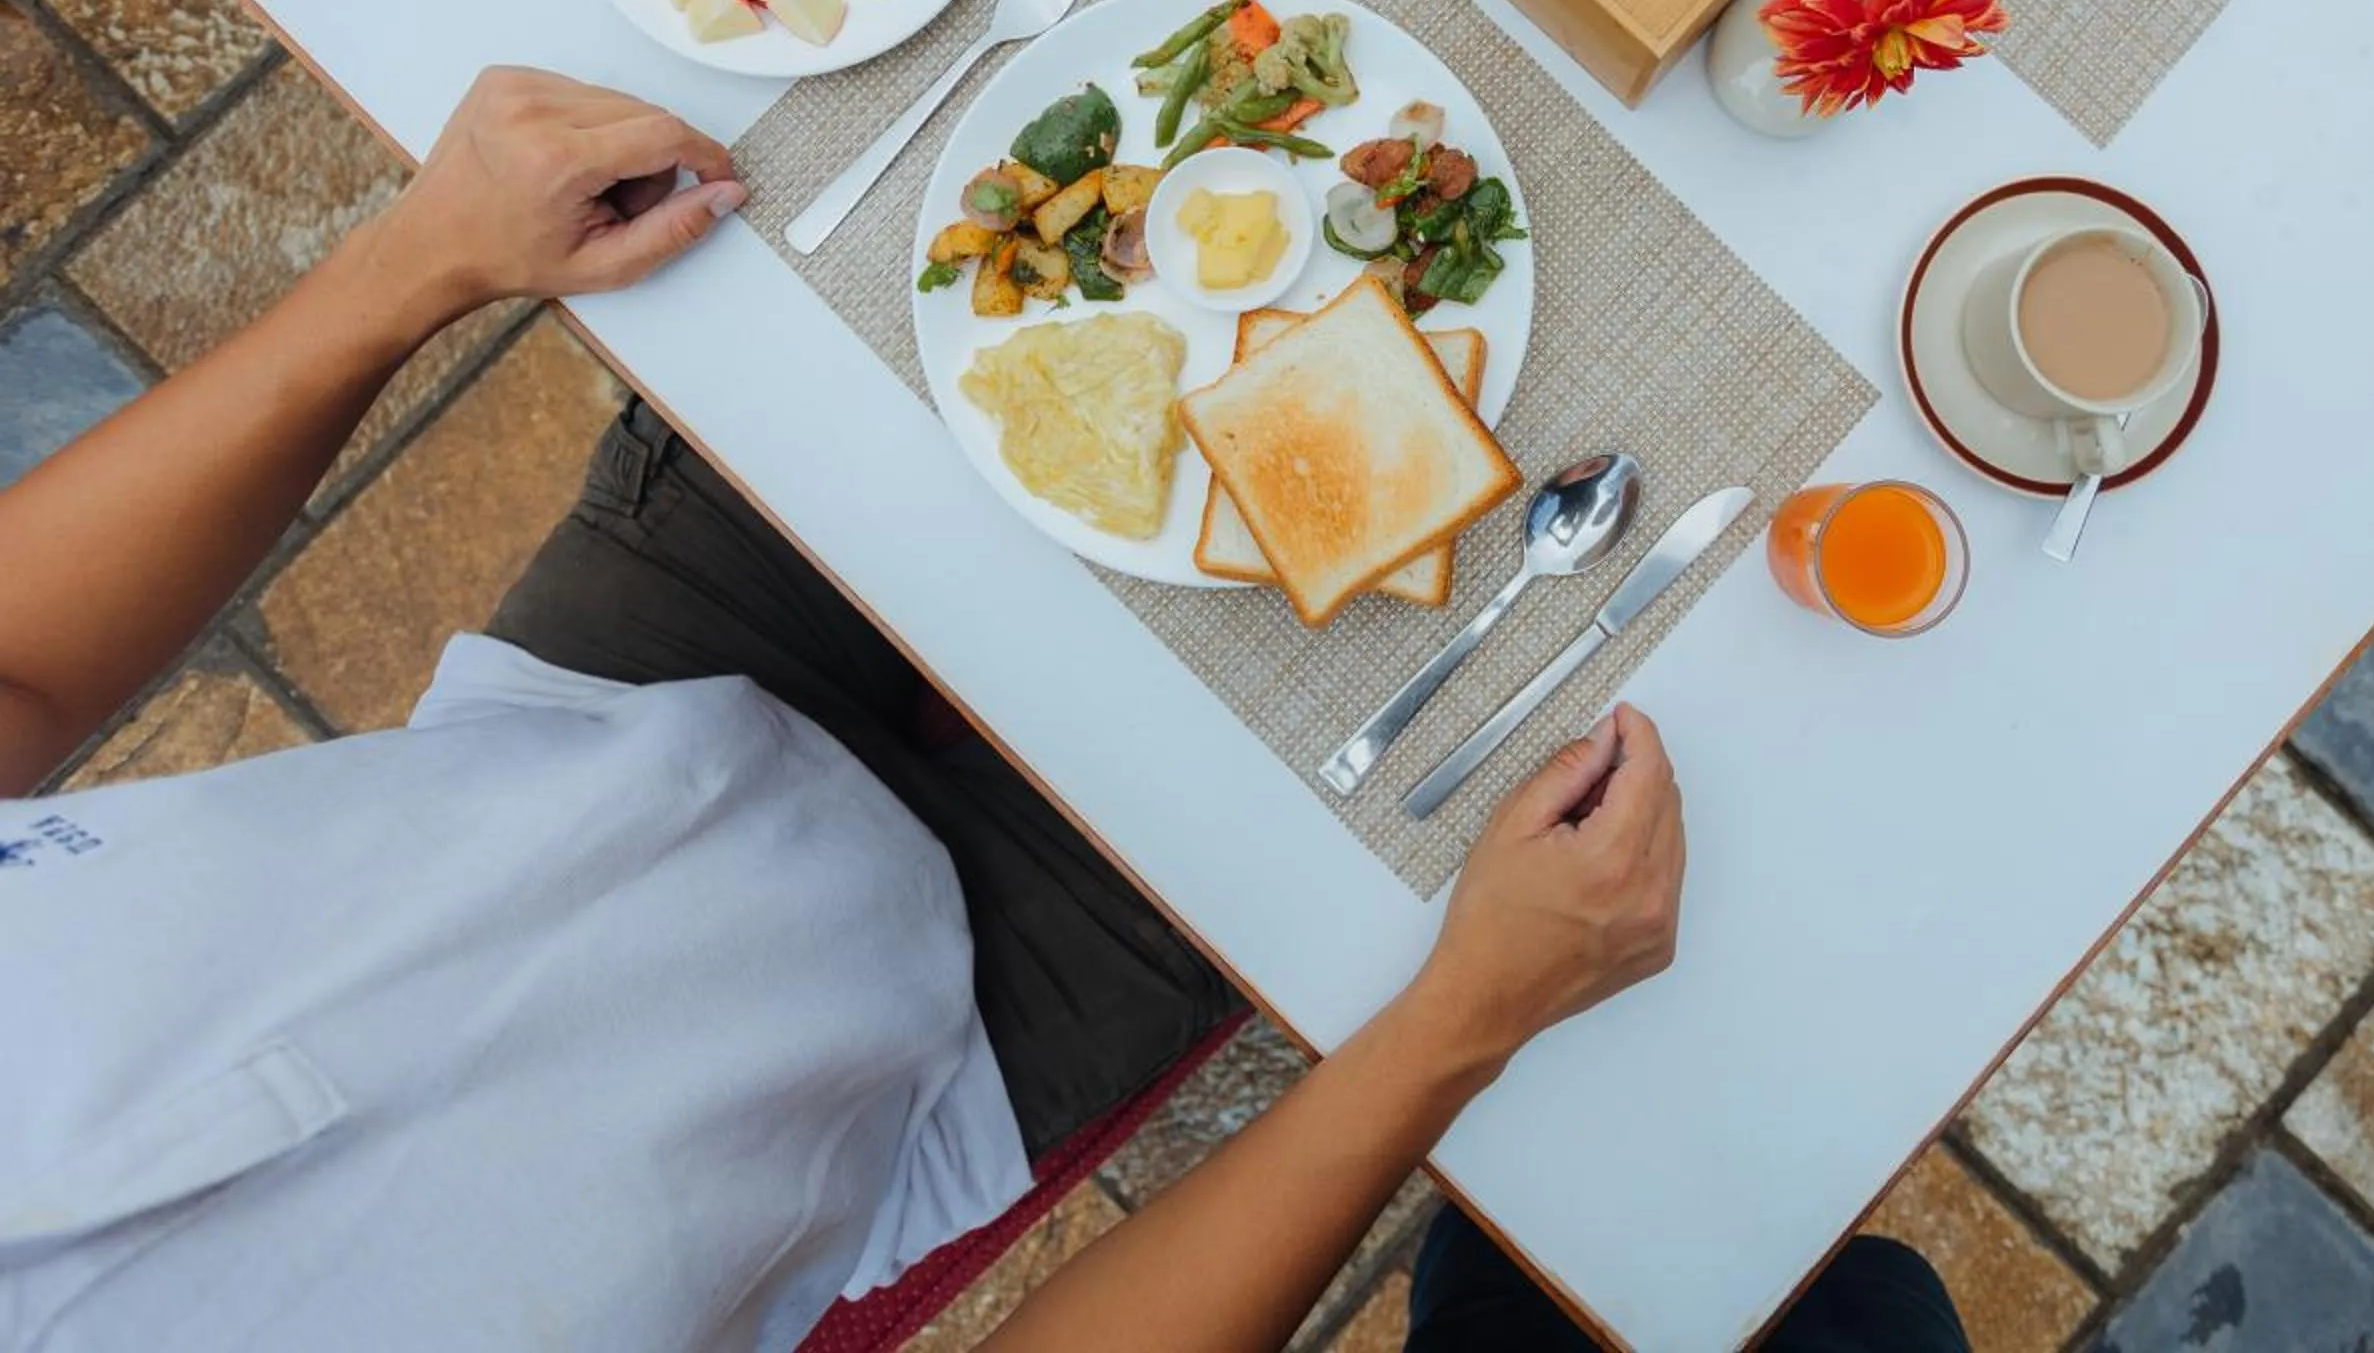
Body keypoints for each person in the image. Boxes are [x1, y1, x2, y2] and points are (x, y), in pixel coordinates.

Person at [0, 67, 1956, 1351]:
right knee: (1619, 617)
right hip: (941, 1051)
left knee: (1011, 211)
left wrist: (400, 272)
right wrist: (1451, 1029)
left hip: (600, 708)